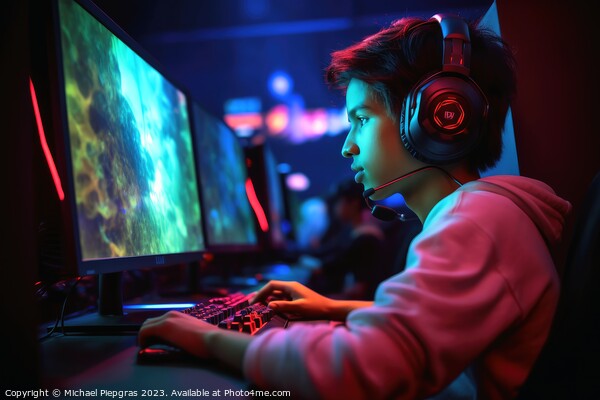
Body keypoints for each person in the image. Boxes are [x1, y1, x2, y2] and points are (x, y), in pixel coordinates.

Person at [138, 14, 572, 399]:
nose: (348, 146)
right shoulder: (484, 215)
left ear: (437, 119)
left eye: (361, 119)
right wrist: (332, 308)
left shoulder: (475, 224)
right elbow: (435, 327)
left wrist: (205, 338)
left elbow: (361, 372)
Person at [305, 177, 386, 299]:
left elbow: (359, 292)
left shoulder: (366, 239)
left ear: (354, 203)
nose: (335, 208)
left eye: (339, 202)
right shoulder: (357, 233)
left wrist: (318, 300)